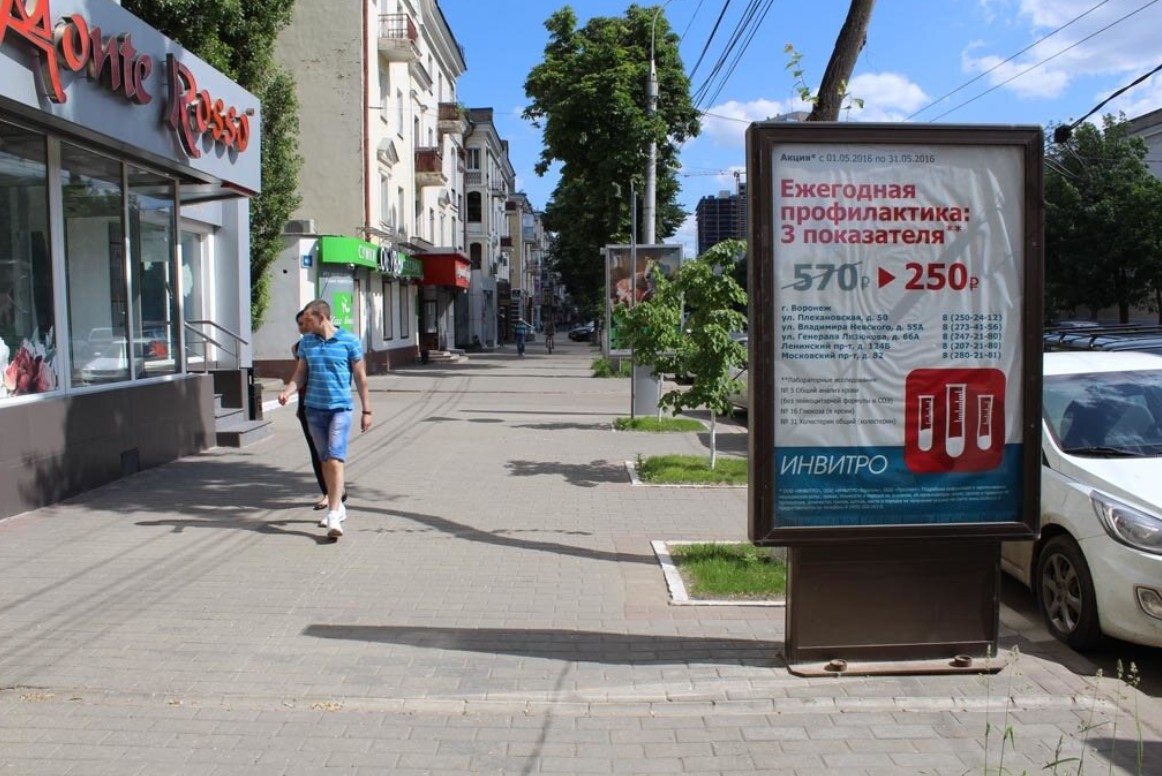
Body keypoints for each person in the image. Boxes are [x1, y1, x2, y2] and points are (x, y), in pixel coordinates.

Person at [278, 300, 371, 539]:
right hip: (314, 409)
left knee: (334, 458)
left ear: (322, 317)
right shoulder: (307, 343)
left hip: (340, 408)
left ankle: (333, 515)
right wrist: (288, 391)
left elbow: (360, 377)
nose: (305, 325)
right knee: (324, 460)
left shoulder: (349, 341)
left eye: (308, 320)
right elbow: (300, 373)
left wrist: (366, 411)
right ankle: (338, 505)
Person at [290, 310, 346, 511]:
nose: (302, 327)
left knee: (334, 452)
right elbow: (301, 376)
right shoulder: (299, 347)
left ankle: (336, 490)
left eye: (305, 323)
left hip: (334, 404)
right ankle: (327, 492)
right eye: (299, 324)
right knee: (317, 451)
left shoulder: (340, 341)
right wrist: (298, 405)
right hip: (309, 403)